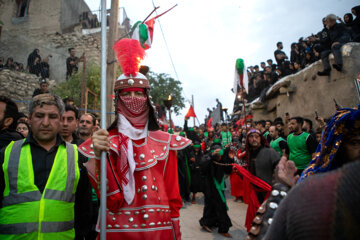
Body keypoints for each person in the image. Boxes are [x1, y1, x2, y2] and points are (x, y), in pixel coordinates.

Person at [78, 39, 191, 239]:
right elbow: (104, 194)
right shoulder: (105, 140)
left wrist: (176, 232)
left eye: (138, 93)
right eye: (126, 93)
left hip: (159, 229)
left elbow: (173, 195)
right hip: (116, 229)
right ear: (117, 99)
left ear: (147, 97)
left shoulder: (165, 142)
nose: (133, 98)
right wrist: (97, 156)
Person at [0, 93, 90, 239]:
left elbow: (83, 210)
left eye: (52, 117)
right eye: (39, 116)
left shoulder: (77, 157)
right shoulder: (7, 154)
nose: (46, 123)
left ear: (60, 120)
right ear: (29, 118)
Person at [199, 139, 234, 238]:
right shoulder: (208, 157)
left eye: (220, 156)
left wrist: (231, 159)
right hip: (209, 186)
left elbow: (228, 170)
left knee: (219, 206)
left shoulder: (222, 159)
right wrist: (211, 156)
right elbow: (202, 166)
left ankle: (219, 226)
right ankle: (209, 223)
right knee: (211, 205)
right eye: (217, 156)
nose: (219, 157)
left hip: (219, 186)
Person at [243, 129, 280, 203]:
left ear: (261, 138)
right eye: (251, 137)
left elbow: (279, 172)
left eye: (256, 136)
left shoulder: (270, 153)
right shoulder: (249, 154)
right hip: (256, 193)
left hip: (270, 193)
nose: (254, 139)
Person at [177, 132, 193, 203]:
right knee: (181, 181)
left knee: (187, 181)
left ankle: (187, 195)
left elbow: (190, 154)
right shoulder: (177, 146)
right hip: (180, 166)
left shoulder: (187, 145)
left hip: (186, 166)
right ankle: (182, 196)